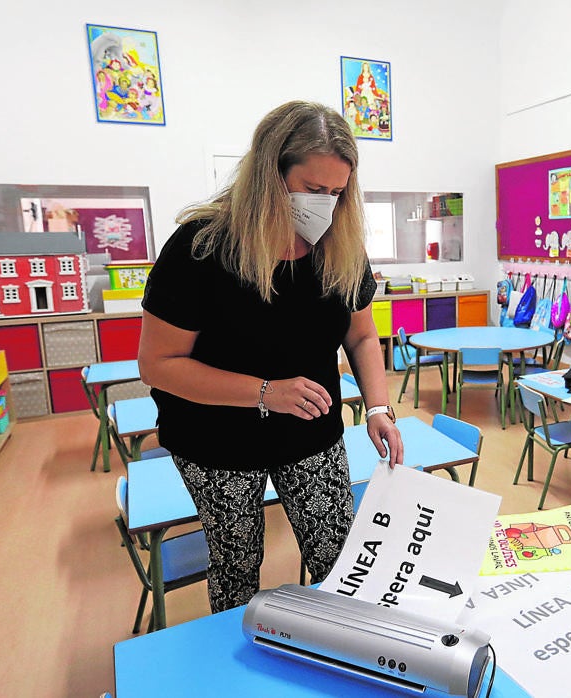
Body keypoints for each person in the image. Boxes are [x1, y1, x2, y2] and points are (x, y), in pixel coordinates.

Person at [137, 100, 403, 614]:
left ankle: (344, 652)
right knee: (237, 566)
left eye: (337, 192)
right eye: (311, 189)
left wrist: (377, 408)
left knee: (339, 555)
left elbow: (363, 337)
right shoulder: (201, 249)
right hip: (215, 440)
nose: (325, 205)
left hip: (310, 431)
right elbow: (158, 364)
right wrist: (266, 392)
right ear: (268, 173)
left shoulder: (338, 244)